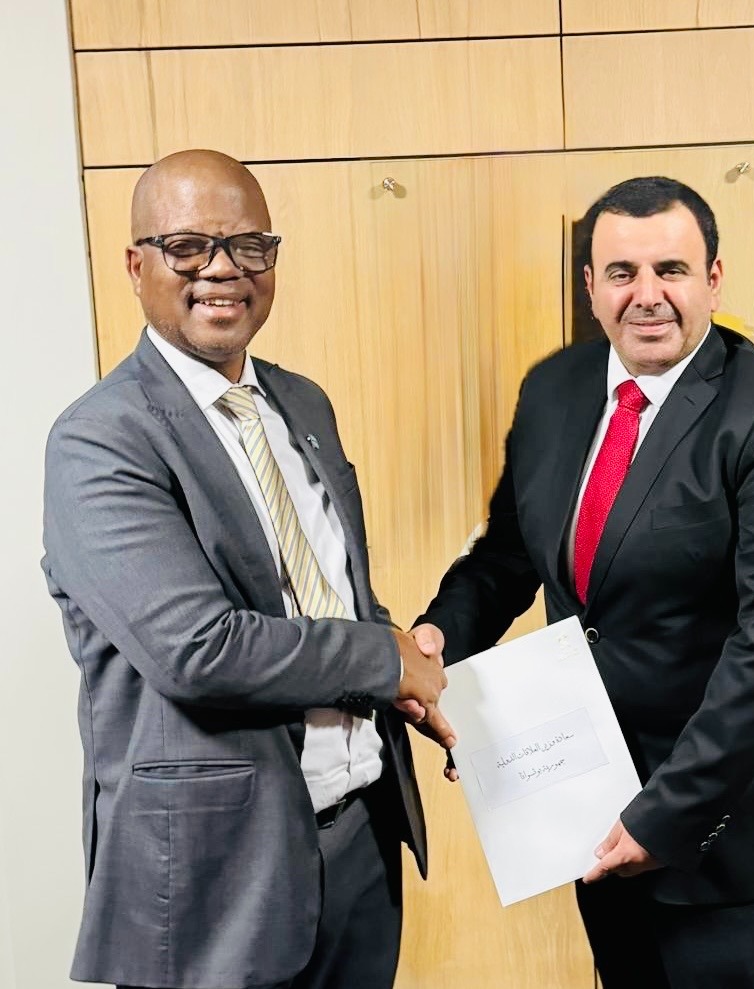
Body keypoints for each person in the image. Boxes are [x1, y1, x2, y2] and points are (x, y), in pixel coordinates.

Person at [415, 176, 754, 988]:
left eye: (671, 270)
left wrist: (667, 813)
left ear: (713, 280)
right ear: (591, 286)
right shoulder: (554, 389)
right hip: (597, 808)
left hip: (743, 832)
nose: (647, 295)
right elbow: (509, 553)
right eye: (622, 272)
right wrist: (438, 638)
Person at [42, 149, 453, 989]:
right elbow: (198, 648)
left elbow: (325, 594)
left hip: (359, 842)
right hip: (213, 876)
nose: (223, 269)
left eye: (249, 245)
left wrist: (405, 672)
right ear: (136, 265)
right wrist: (383, 658)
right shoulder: (99, 439)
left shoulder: (302, 402)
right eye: (188, 246)